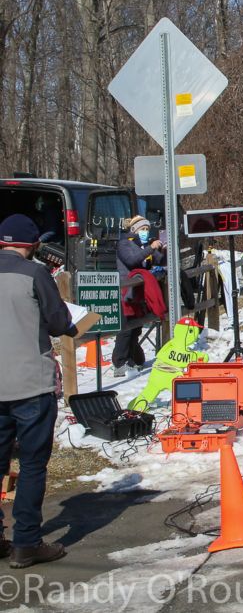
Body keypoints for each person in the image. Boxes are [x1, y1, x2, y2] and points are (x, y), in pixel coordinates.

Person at [0, 214, 76, 567]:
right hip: (30, 382)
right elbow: (60, 322)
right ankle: (26, 542)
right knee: (32, 465)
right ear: (31, 246)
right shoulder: (34, 274)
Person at [112, 216, 165, 377]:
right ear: (135, 230)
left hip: (138, 292)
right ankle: (119, 362)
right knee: (126, 328)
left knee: (136, 327)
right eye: (143, 229)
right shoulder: (125, 244)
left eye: (147, 229)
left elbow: (159, 261)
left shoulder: (143, 245)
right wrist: (150, 248)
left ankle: (132, 358)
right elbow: (132, 260)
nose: (145, 232)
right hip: (126, 291)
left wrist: (162, 251)